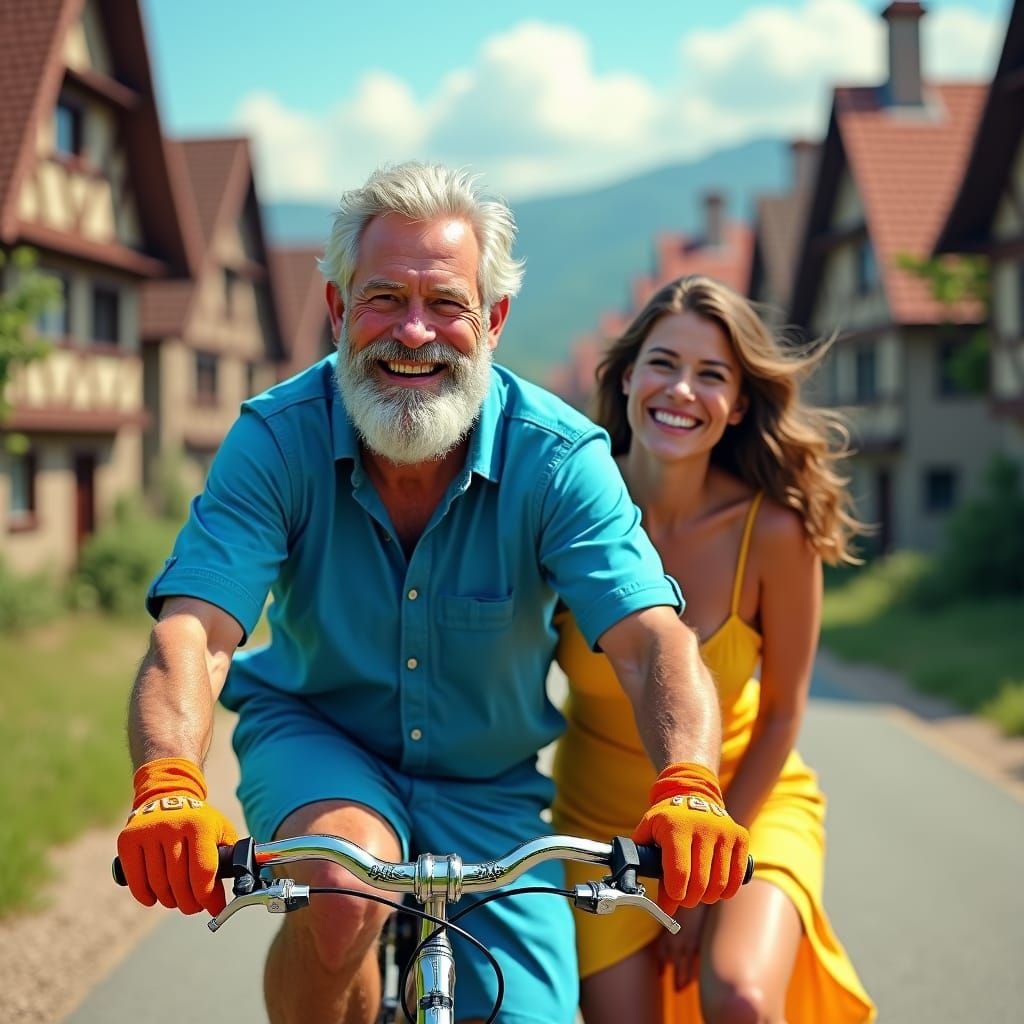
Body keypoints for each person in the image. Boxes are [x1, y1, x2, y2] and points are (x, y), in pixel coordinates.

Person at [115, 163, 751, 1024]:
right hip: (320, 738)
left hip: (490, 784)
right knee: (344, 888)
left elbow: (651, 642)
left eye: (447, 303)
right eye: (383, 298)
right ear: (338, 310)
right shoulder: (274, 438)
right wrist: (168, 783)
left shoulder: (559, 457)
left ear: (493, 320)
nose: (414, 332)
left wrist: (689, 785)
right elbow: (197, 631)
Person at [552, 274, 876, 1024]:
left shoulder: (774, 533)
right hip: (601, 821)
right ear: (627, 377)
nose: (682, 390)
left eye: (712, 375)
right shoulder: (564, 512)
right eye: (664, 363)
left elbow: (783, 715)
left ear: (736, 406)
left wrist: (705, 869)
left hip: (742, 805)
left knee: (741, 999)